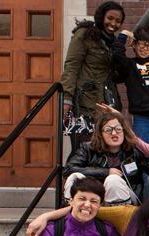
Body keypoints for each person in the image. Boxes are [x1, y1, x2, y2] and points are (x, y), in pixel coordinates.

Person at [60, 1, 125, 145]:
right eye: (110, 18)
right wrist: (66, 98)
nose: (113, 23)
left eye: (118, 21)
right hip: (83, 105)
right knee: (82, 149)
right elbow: (71, 66)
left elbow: (115, 74)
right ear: (102, 16)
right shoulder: (85, 34)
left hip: (107, 106)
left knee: (102, 150)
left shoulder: (113, 42)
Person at [63, 111, 149, 205]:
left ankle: (116, 217)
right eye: (108, 129)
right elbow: (68, 169)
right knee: (74, 177)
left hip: (126, 199)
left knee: (113, 180)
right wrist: (105, 172)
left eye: (118, 129)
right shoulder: (88, 148)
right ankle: (71, 213)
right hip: (93, 197)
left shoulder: (133, 151)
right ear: (100, 133)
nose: (114, 133)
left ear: (124, 131)